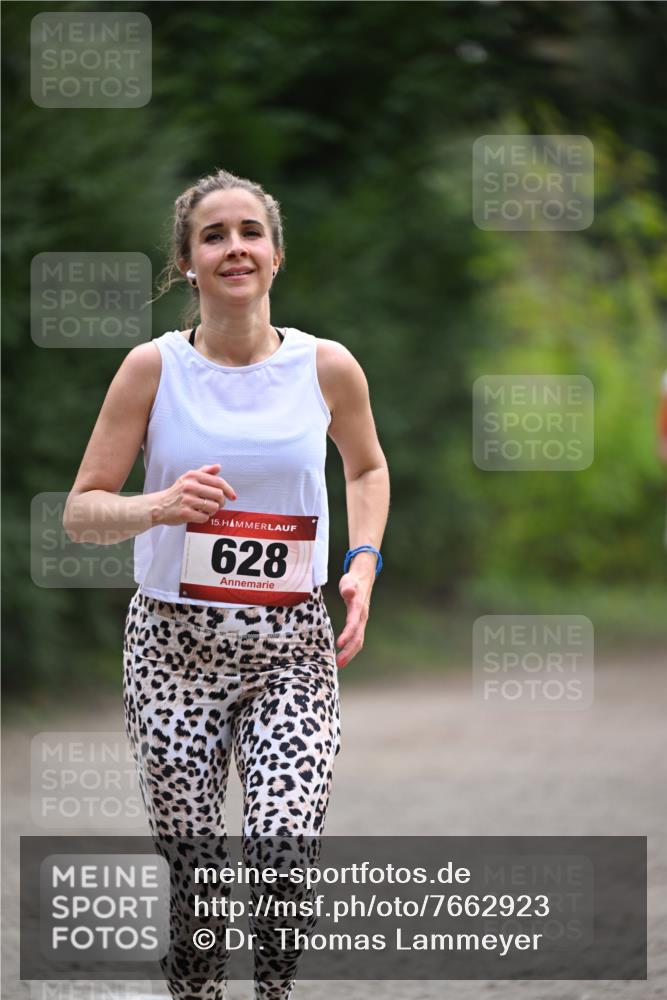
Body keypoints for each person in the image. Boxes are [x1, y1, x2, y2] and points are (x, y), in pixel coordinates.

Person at [63, 167, 390, 1000]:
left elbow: (367, 467)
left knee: (282, 852)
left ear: (275, 254)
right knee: (199, 878)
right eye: (214, 235)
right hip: (173, 650)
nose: (234, 247)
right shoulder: (152, 368)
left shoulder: (327, 367)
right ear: (188, 262)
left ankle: (272, 993)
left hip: (290, 649)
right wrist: (162, 505)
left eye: (250, 231)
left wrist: (361, 562)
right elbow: (81, 512)